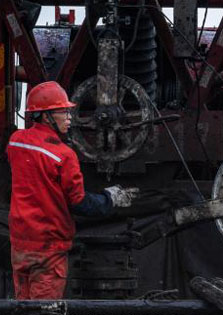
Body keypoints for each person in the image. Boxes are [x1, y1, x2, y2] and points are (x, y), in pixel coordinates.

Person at [7, 81, 139, 299]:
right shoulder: (64, 156)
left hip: (21, 242)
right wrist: (110, 199)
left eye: (69, 111)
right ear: (45, 115)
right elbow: (79, 203)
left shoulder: (16, 142)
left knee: (23, 307)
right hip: (48, 246)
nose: (70, 118)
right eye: (63, 112)